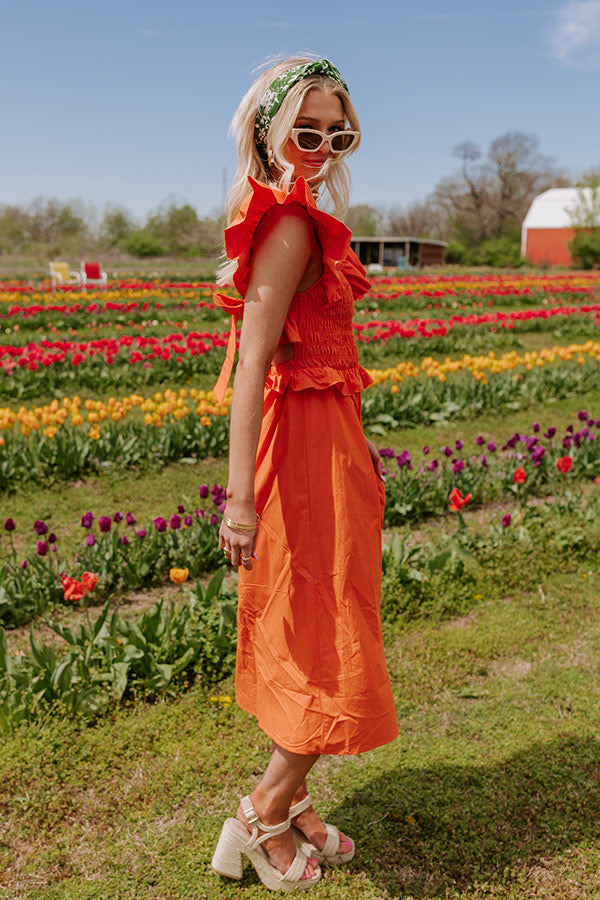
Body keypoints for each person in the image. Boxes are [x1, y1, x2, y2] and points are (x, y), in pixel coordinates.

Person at [210, 55, 398, 892]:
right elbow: (251, 365)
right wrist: (239, 501)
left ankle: (293, 806)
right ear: (269, 131)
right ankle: (260, 815)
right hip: (303, 460)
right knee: (328, 638)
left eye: (338, 131)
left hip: (328, 440)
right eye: (307, 129)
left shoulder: (295, 210)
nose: (322, 145)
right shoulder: (288, 224)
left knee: (318, 624)